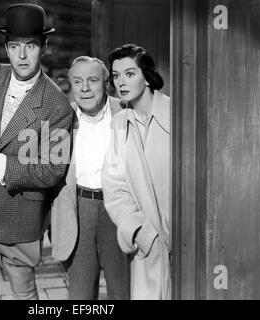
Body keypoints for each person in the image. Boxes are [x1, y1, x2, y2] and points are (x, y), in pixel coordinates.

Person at [0, 3, 74, 300]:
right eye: (14, 46)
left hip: (18, 217)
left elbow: (51, 171)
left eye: (31, 46)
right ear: (6, 47)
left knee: (24, 296)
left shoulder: (57, 105)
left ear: (44, 47)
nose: (22, 56)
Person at [51, 56, 130, 300]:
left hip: (119, 211)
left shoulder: (128, 113)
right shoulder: (60, 119)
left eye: (92, 80)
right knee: (80, 296)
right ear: (71, 85)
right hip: (78, 212)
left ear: (106, 83)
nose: (84, 88)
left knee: (124, 292)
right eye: (78, 81)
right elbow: (48, 174)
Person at [101, 44, 171, 299]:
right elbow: (114, 186)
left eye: (129, 74)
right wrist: (140, 233)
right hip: (148, 244)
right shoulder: (119, 124)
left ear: (147, 76)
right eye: (116, 75)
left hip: (185, 241)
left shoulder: (179, 116)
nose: (121, 81)